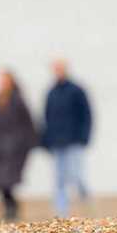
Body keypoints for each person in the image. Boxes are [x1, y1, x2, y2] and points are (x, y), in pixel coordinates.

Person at [0, 69, 37, 220]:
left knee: (7, 179)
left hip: (14, 148)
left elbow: (28, 123)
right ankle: (9, 207)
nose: (2, 84)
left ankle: (12, 209)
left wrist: (29, 142)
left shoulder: (18, 100)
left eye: (5, 81)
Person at [41, 59, 93, 217]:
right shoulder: (51, 92)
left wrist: (84, 136)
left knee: (76, 174)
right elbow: (46, 118)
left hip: (74, 140)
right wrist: (45, 140)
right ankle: (62, 211)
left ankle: (85, 197)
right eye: (56, 69)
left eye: (60, 68)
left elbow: (87, 114)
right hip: (57, 142)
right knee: (59, 178)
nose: (58, 72)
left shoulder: (77, 90)